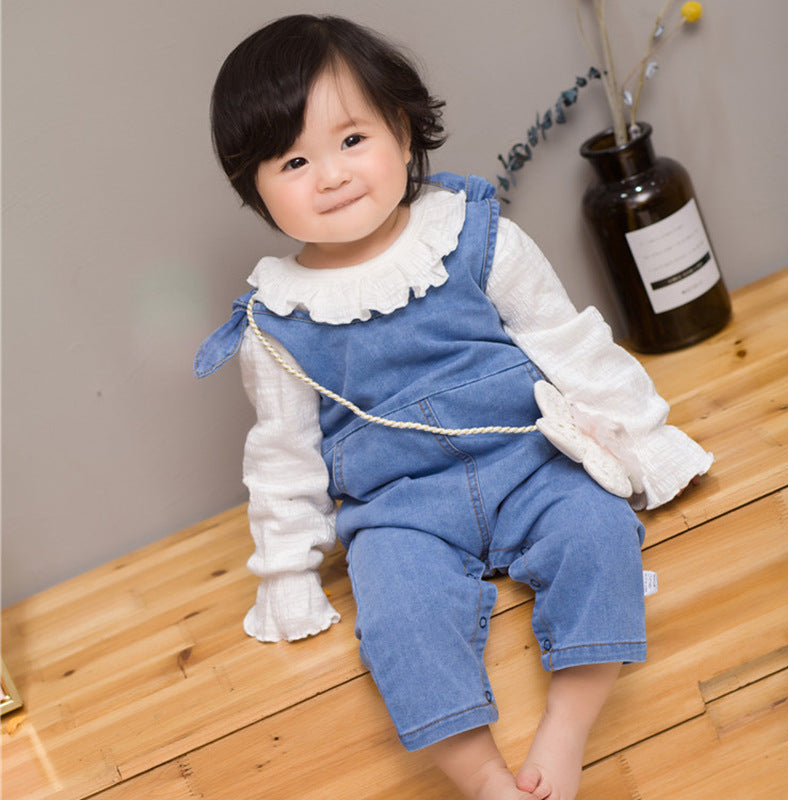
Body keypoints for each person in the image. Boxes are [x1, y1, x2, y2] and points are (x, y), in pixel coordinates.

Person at [194, 14, 712, 800]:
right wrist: (286, 576)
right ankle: (482, 778)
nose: (330, 175)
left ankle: (567, 729)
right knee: (399, 622)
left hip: (531, 461)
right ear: (256, 189)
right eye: (294, 160)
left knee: (598, 532)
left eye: (352, 140)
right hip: (399, 511)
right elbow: (283, 458)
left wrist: (647, 441)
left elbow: (567, 344)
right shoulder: (277, 320)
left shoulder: (475, 237)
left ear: (404, 134)